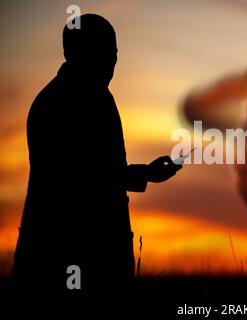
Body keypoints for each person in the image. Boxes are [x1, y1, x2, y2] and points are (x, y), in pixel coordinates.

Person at [12, 14, 182, 291]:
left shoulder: (94, 97)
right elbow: (75, 179)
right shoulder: (58, 103)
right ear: (77, 53)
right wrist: (144, 174)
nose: (112, 63)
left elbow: (98, 172)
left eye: (114, 54)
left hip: (98, 256)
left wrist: (144, 174)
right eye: (105, 53)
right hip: (65, 254)